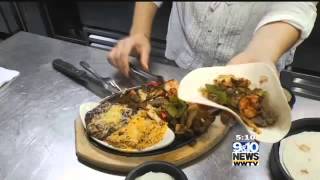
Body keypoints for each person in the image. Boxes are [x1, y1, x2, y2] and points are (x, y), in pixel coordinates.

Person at [107, 2, 318, 77]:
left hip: (250, 74)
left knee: (242, 157)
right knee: (180, 138)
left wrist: (260, 53)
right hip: (183, 65)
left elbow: (297, 5)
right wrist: (140, 31)